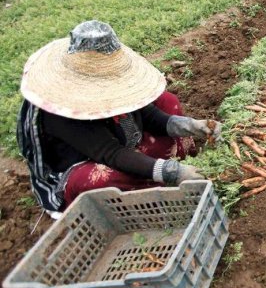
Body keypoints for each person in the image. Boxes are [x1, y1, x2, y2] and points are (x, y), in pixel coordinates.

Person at [17, 20, 221, 214]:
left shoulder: (114, 87)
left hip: (120, 143)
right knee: (101, 178)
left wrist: (189, 126)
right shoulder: (61, 109)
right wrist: (172, 172)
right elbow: (111, 153)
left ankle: (162, 166)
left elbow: (148, 114)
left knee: (167, 101)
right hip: (89, 161)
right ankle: (154, 183)